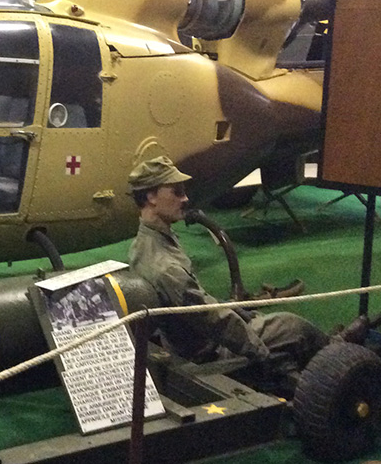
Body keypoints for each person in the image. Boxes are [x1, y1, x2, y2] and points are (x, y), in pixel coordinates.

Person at [127, 155, 333, 369]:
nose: (185, 198)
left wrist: (241, 314)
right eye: (177, 192)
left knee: (265, 321)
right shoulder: (166, 267)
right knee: (295, 328)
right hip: (210, 351)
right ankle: (338, 350)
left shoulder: (142, 246)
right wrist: (259, 350)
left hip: (184, 343)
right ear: (151, 196)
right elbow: (211, 319)